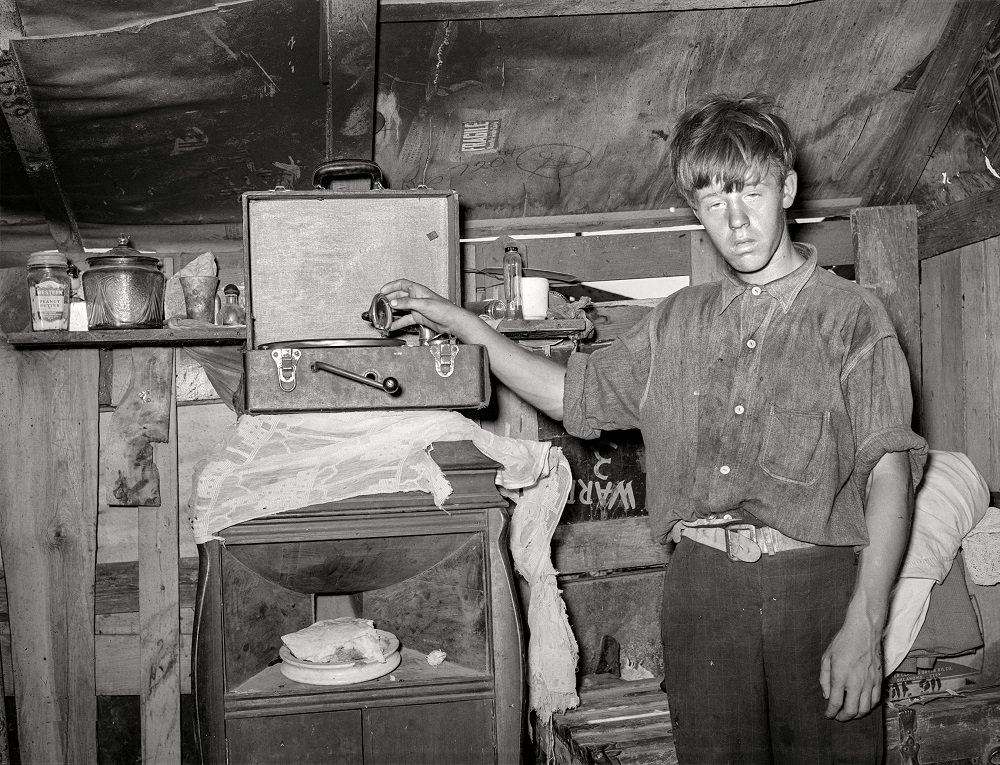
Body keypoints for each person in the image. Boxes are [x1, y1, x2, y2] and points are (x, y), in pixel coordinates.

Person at [379, 93, 927, 764]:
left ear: (785, 187)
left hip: (815, 591)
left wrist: (866, 624)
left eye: (748, 192)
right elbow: (569, 392)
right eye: (712, 202)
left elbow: (890, 476)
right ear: (695, 211)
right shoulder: (674, 322)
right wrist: (463, 324)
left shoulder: (853, 317)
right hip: (701, 594)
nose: (736, 221)